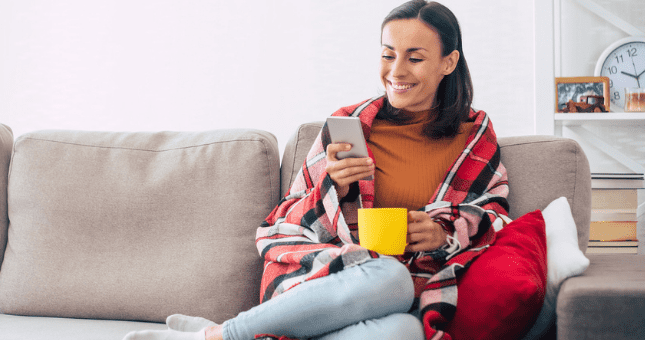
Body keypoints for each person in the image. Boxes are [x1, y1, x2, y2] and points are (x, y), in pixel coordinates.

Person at [123, 1, 509, 339]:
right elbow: (286, 217)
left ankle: (228, 333)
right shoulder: (348, 126)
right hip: (330, 275)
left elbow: (495, 217)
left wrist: (445, 232)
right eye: (388, 54)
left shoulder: (473, 136)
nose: (397, 70)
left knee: (405, 332)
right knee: (389, 277)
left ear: (449, 62)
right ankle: (223, 336)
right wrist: (332, 190)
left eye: (415, 57)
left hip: (411, 290)